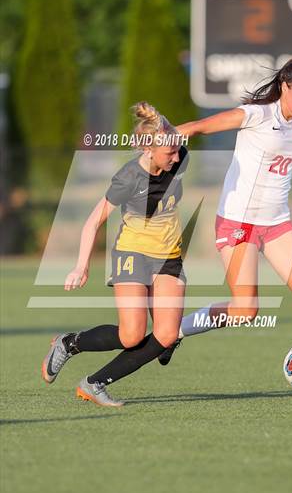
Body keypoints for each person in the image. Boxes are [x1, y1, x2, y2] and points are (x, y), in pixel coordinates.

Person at [159, 58, 292, 403]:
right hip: (238, 222)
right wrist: (171, 134)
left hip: (277, 223)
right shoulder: (256, 115)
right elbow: (205, 125)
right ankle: (175, 332)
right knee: (245, 309)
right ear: (284, 85)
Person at [41, 102, 189, 406]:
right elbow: (93, 221)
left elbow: (189, 132)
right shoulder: (129, 177)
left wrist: (160, 118)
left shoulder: (178, 154)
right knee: (132, 335)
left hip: (168, 257)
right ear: (148, 150)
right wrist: (81, 267)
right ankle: (70, 344)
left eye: (177, 150)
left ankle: (94, 384)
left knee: (167, 335)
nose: (177, 158)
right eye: (170, 153)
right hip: (132, 253)